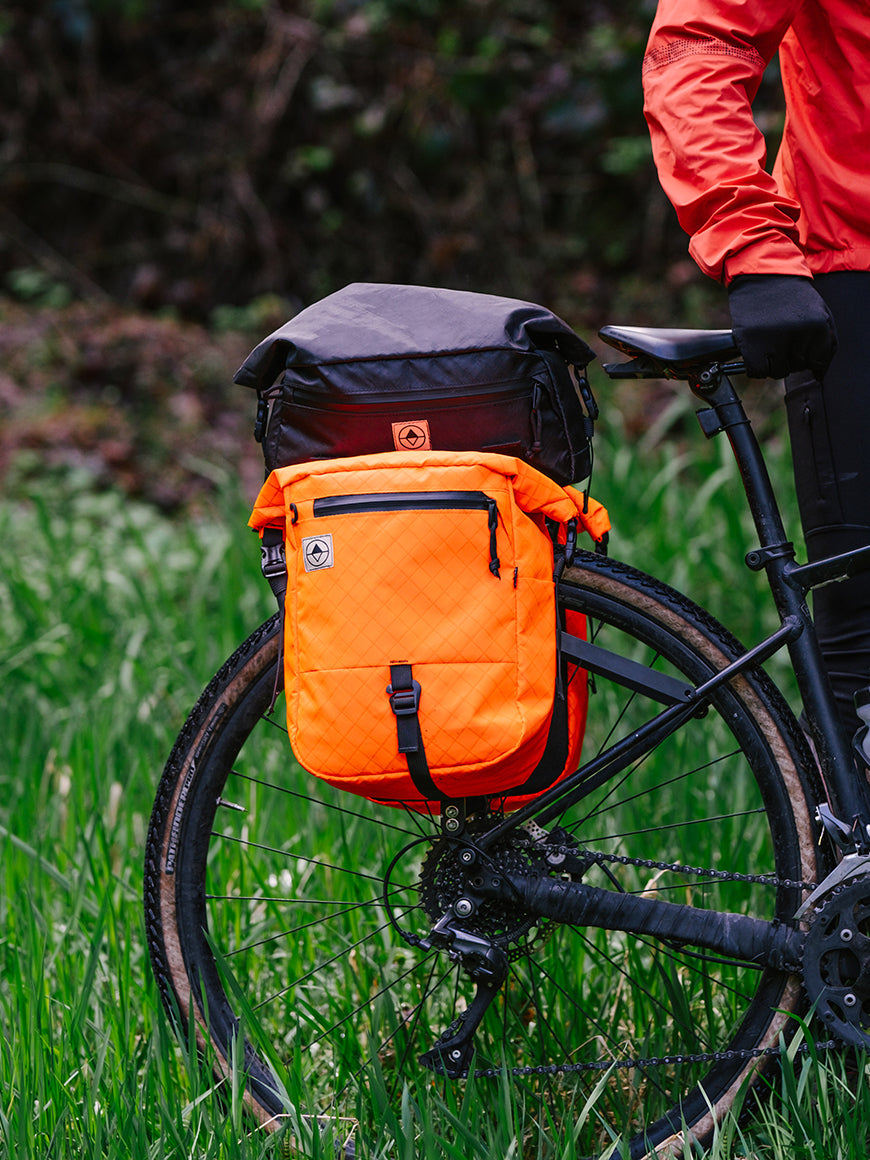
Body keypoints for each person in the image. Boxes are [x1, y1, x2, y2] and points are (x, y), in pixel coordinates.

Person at [642, 0, 870, 745]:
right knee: (864, 637)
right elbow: (699, 43)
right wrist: (751, 242)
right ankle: (838, 850)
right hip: (854, 261)